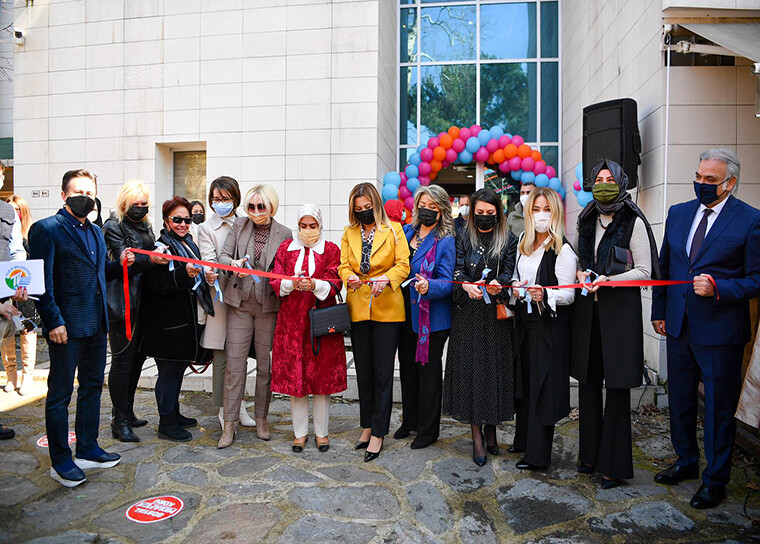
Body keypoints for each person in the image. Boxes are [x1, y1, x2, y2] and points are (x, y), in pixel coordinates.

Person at [651, 148, 760, 509]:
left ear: (729, 184)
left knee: (717, 408)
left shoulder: (750, 220)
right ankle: (686, 462)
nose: (701, 184)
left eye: (710, 180)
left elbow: (756, 279)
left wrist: (720, 288)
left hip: (721, 332)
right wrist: (659, 311)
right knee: (679, 401)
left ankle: (716, 479)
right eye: (698, 176)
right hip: (679, 325)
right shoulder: (678, 213)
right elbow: (665, 268)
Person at [29, 169, 128, 487]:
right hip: (65, 328)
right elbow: (41, 284)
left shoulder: (96, 232)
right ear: (63, 195)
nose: (85, 197)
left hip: (96, 325)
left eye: (90, 191)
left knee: (91, 388)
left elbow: (100, 274)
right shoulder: (46, 230)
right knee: (59, 395)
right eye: (78, 191)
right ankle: (60, 460)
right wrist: (53, 320)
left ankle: (87, 448)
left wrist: (121, 264)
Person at [571, 159, 660, 490]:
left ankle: (614, 466)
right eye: (598, 178)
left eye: (610, 179)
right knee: (589, 384)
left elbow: (644, 273)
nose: (604, 183)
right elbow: (581, 262)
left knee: (618, 390)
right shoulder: (586, 219)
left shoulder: (632, 221)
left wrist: (609, 281)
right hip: (589, 317)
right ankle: (590, 455)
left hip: (620, 317)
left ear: (621, 183)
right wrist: (582, 274)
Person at [443, 188, 518, 466]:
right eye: (480, 213)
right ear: (472, 213)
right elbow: (457, 269)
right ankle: (476, 434)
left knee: (493, 371)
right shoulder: (461, 236)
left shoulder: (508, 239)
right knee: (471, 372)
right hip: (467, 314)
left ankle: (491, 428)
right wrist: (465, 283)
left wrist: (502, 282)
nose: (485, 218)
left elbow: (510, 270)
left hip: (495, 316)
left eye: (490, 213)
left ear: (498, 212)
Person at [339, 182, 410, 462]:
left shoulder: (394, 229)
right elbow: (344, 264)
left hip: (388, 308)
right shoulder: (349, 232)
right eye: (359, 210)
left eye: (368, 208)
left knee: (382, 373)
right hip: (358, 307)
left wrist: (387, 279)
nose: (364, 213)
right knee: (364, 371)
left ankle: (380, 432)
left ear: (376, 205)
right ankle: (366, 426)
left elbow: (403, 264)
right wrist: (349, 277)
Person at [216, 184, 291, 443]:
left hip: (268, 307)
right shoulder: (239, 226)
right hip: (239, 304)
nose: (256, 211)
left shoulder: (285, 233)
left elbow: (285, 271)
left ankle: (261, 419)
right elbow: (223, 256)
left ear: (272, 207)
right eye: (251, 206)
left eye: (261, 206)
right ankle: (229, 423)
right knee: (234, 367)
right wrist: (232, 264)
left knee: (264, 367)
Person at [269, 204, 347, 453]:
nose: (307, 230)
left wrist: (315, 284)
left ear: (320, 226)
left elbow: (336, 280)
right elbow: (275, 278)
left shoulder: (331, 249)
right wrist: (290, 284)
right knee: (297, 378)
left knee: (322, 378)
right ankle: (299, 433)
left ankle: (322, 433)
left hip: (322, 322)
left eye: (312, 226)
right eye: (303, 226)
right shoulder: (286, 249)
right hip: (292, 324)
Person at [510, 187, 576, 470]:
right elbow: (515, 274)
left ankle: (538, 456)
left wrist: (545, 294)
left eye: (546, 209)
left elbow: (568, 293)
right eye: (535, 209)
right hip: (523, 323)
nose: (540, 215)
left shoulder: (563, 249)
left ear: (555, 213)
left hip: (547, 326)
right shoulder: (523, 241)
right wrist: (515, 287)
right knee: (524, 383)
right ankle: (522, 440)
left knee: (541, 387)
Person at [140, 197, 214, 442]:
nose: (183, 224)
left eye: (187, 219)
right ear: (166, 221)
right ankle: (166, 423)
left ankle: (175, 413)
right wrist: (184, 274)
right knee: (168, 374)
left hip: (185, 322)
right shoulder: (161, 248)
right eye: (177, 220)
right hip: (166, 325)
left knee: (178, 371)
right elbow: (156, 285)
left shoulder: (189, 243)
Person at [102, 180, 165, 442]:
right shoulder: (113, 227)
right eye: (135, 204)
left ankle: (127, 410)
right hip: (124, 304)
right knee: (122, 361)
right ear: (124, 204)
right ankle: (119, 419)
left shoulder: (145, 226)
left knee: (138, 360)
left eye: (143, 204)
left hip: (144, 302)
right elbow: (121, 261)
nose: (140, 208)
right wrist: (150, 259)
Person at [394, 185, 455, 449]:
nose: (427, 210)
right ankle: (409, 421)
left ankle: (428, 430)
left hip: (432, 318)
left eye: (433, 207)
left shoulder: (446, 240)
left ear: (442, 211)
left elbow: (448, 280)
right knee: (407, 371)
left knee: (428, 375)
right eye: (423, 205)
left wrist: (430, 286)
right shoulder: (405, 232)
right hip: (404, 314)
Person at [197, 177, 255, 430]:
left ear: (236, 199)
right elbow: (209, 261)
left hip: (246, 298)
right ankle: (223, 410)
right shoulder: (206, 229)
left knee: (240, 357)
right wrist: (213, 271)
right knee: (221, 356)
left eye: (226, 199)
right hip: (220, 299)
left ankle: (239, 405)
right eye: (216, 199)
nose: (220, 204)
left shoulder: (247, 222)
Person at [3, 195, 37, 396]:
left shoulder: (31, 235)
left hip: (27, 290)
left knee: (28, 331)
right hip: (5, 289)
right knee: (7, 332)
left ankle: (28, 375)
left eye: (16, 209)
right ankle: (10, 375)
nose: (12, 213)